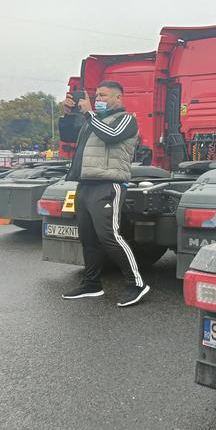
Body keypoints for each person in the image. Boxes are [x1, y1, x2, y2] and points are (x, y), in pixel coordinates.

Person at [58, 81, 149, 307]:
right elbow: (68, 136)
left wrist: (89, 113)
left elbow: (111, 135)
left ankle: (137, 284)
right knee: (88, 238)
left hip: (109, 184)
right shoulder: (92, 122)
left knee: (109, 235)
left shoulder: (126, 119)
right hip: (85, 184)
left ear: (118, 98)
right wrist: (68, 115)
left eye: (103, 96)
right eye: (96, 95)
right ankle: (91, 284)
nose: (98, 99)